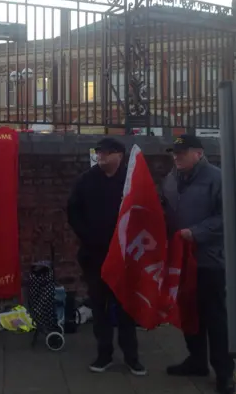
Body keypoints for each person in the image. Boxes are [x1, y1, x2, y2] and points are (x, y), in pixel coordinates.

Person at [161, 134, 235, 394]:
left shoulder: (217, 178)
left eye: (183, 152)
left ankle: (224, 371)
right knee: (189, 313)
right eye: (174, 152)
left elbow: (227, 216)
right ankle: (196, 360)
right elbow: (166, 212)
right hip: (181, 261)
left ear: (199, 153)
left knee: (214, 316)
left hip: (209, 260)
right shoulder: (170, 179)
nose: (177, 156)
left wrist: (196, 232)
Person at [67, 137, 146, 376]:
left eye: (105, 153)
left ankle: (132, 357)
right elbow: (73, 211)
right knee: (99, 307)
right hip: (95, 256)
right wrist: (88, 236)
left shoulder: (131, 181)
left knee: (125, 308)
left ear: (119, 156)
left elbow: (146, 211)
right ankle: (104, 354)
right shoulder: (86, 180)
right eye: (98, 152)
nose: (100, 156)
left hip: (125, 257)